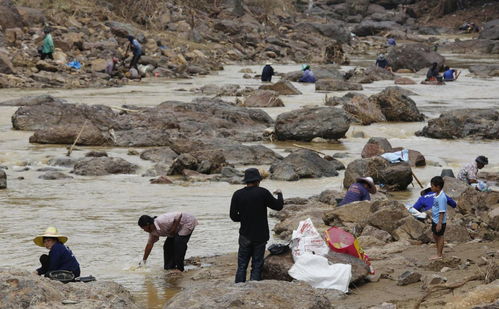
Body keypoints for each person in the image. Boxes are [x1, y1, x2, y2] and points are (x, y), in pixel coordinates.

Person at [230, 168, 283, 283]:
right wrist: (279, 194)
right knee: (257, 264)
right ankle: (254, 286)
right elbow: (278, 206)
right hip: (260, 235)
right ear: (258, 180)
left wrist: (244, 218)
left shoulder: (237, 194)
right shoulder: (262, 192)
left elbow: (233, 216)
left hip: (245, 235)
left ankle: (238, 288)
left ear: (246, 181)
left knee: (242, 265)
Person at [429, 176, 448, 260]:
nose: (431, 187)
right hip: (435, 219)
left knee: (439, 236)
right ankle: (438, 252)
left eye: (432, 186)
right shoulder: (437, 194)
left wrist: (439, 223)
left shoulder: (442, 197)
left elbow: (442, 211)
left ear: (438, 187)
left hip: (439, 221)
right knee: (435, 235)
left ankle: (439, 255)